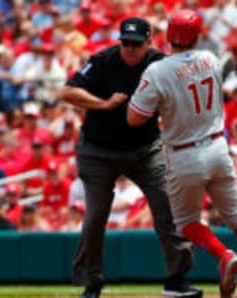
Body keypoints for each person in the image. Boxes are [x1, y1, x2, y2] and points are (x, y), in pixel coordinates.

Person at [126, 9, 237, 298]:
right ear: (196, 35)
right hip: (218, 147)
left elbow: (134, 118)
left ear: (170, 34)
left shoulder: (158, 70)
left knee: (186, 224)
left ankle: (223, 255)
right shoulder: (211, 60)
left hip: (184, 153)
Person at [57, 16, 199, 298]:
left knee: (168, 205)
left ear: (150, 42)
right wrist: (102, 104)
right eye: (126, 43)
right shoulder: (103, 60)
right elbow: (66, 91)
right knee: (95, 215)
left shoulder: (160, 64)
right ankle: (91, 283)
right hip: (98, 151)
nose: (130, 48)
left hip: (144, 149)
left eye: (136, 43)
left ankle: (177, 278)